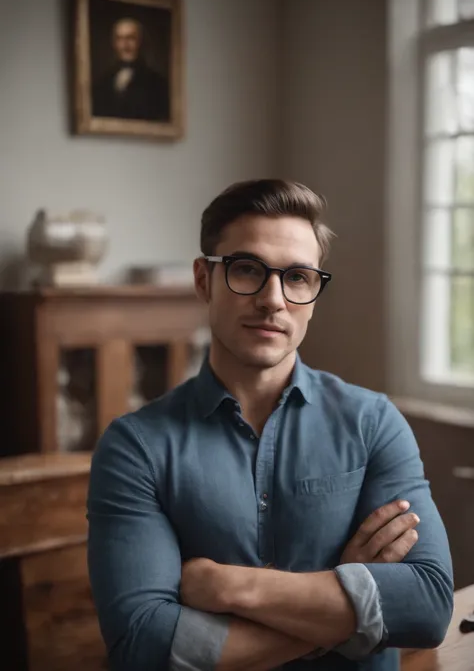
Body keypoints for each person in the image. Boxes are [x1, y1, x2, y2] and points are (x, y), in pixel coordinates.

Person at [87, 179, 453, 671]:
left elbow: (428, 606)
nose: (273, 299)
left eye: (298, 277)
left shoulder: (373, 423)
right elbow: (144, 647)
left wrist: (228, 587)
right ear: (203, 280)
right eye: (247, 270)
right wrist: (344, 601)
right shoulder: (136, 446)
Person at [92, 17, 169, 122]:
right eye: (119, 39)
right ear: (114, 43)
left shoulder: (158, 82)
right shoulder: (102, 82)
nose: (125, 45)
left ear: (140, 42)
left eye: (130, 38)